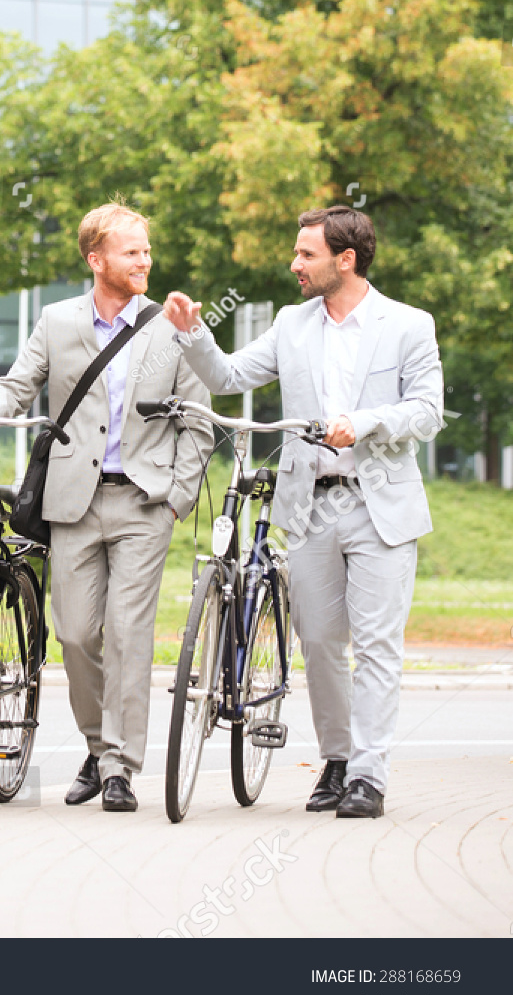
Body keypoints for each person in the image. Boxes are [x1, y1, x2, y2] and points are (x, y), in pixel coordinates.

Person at [163, 206, 444, 819]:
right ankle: (337, 759)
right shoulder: (292, 325)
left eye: (306, 254)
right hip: (310, 508)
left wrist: (363, 423)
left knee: (375, 645)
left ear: (345, 259)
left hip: (379, 506)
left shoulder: (408, 326)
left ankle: (368, 775)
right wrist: (192, 334)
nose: (294, 264)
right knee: (318, 642)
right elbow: (231, 376)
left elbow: (426, 411)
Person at [0, 203, 212, 813]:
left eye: (147, 250)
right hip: (72, 502)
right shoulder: (57, 321)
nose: (144, 261)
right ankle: (98, 747)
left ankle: (121, 766)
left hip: (145, 501)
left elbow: (196, 421)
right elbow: (17, 386)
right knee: (74, 633)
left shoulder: (174, 325)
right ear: (97, 260)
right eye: (131, 252)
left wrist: (178, 496)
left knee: (127, 632)